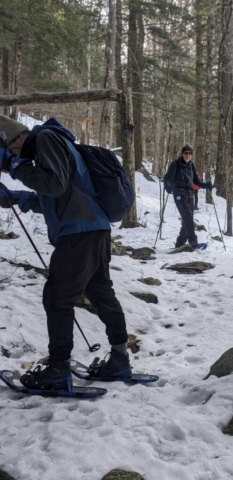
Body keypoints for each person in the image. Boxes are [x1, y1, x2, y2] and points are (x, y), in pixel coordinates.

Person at [0, 115, 131, 391]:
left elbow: (55, 185)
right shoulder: (56, 143)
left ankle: (58, 369)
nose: (11, 156)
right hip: (94, 229)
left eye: (8, 150)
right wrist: (14, 197)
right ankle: (120, 359)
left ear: (16, 138)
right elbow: (57, 194)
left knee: (57, 297)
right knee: (101, 294)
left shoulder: (46, 138)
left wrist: (14, 167)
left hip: (78, 232)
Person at [164, 144, 212, 249]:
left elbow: (196, 181)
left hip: (190, 194)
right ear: (182, 154)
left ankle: (180, 243)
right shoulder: (175, 164)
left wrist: (206, 185)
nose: (188, 155)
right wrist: (167, 186)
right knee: (188, 217)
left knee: (188, 219)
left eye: (190, 153)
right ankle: (193, 241)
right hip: (179, 194)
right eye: (186, 153)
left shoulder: (191, 165)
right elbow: (167, 178)